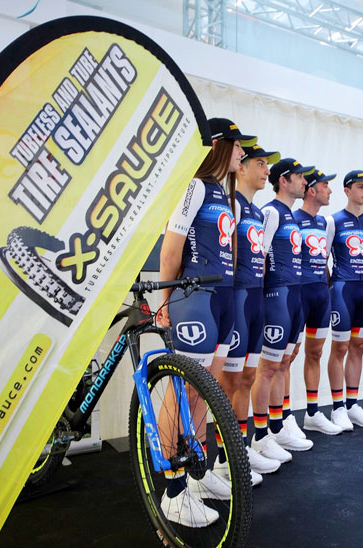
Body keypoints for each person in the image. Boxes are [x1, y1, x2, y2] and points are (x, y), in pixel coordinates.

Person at [158, 117, 249, 526]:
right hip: (195, 299)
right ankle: (172, 492)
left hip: (223, 299)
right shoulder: (194, 186)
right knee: (183, 393)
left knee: (204, 393)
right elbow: (171, 249)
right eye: (237, 145)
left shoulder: (222, 194)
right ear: (218, 146)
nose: (243, 152)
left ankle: (197, 475)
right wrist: (164, 299)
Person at [217, 143, 284, 484]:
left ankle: (238, 448)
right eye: (260, 163)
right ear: (241, 168)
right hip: (237, 299)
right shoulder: (230, 206)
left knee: (246, 378)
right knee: (227, 381)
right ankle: (219, 457)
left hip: (256, 299)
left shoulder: (258, 212)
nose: (266, 170)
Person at [251, 157, 314, 461]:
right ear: (284, 181)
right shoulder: (270, 212)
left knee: (285, 363)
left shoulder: (290, 215)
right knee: (268, 368)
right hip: (276, 296)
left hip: (294, 296)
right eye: (299, 177)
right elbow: (258, 257)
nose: (305, 182)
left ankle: (277, 427)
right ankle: (260, 435)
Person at [326, 170, 363, 430]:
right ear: (347, 190)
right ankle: (337, 408)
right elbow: (322, 258)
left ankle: (352, 403)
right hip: (342, 290)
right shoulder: (333, 220)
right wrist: (332, 287)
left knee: (358, 347)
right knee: (340, 348)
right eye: (360, 186)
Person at [293, 169, 343, 435]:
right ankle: (283, 417)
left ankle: (312, 413)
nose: (330, 190)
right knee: (285, 358)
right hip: (297, 294)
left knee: (315, 353)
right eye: (326, 185)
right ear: (311, 190)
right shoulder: (292, 217)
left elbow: (323, 259)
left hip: (320, 295)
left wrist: (327, 288)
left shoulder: (324, 222)